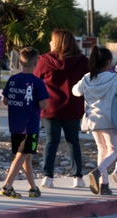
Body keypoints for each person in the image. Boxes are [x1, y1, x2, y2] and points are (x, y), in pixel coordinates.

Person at [35, 29, 89, 188]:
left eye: (52, 40)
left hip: (50, 107)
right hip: (73, 107)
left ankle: (48, 176)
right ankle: (77, 177)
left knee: (51, 141)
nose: (50, 43)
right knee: (73, 141)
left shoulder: (44, 61)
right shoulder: (82, 61)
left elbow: (36, 81)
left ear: (58, 42)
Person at [73, 46, 117, 196]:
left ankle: (104, 185)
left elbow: (75, 91)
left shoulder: (87, 78)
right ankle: (98, 172)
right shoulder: (113, 78)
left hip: (93, 120)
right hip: (109, 120)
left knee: (102, 150)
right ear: (109, 62)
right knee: (114, 151)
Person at [0, 47, 49, 198]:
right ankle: (7, 185)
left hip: (15, 124)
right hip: (30, 126)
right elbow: (43, 105)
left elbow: (6, 100)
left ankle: (32, 187)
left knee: (26, 155)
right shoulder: (37, 83)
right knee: (22, 155)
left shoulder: (12, 80)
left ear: (20, 62)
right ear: (36, 63)